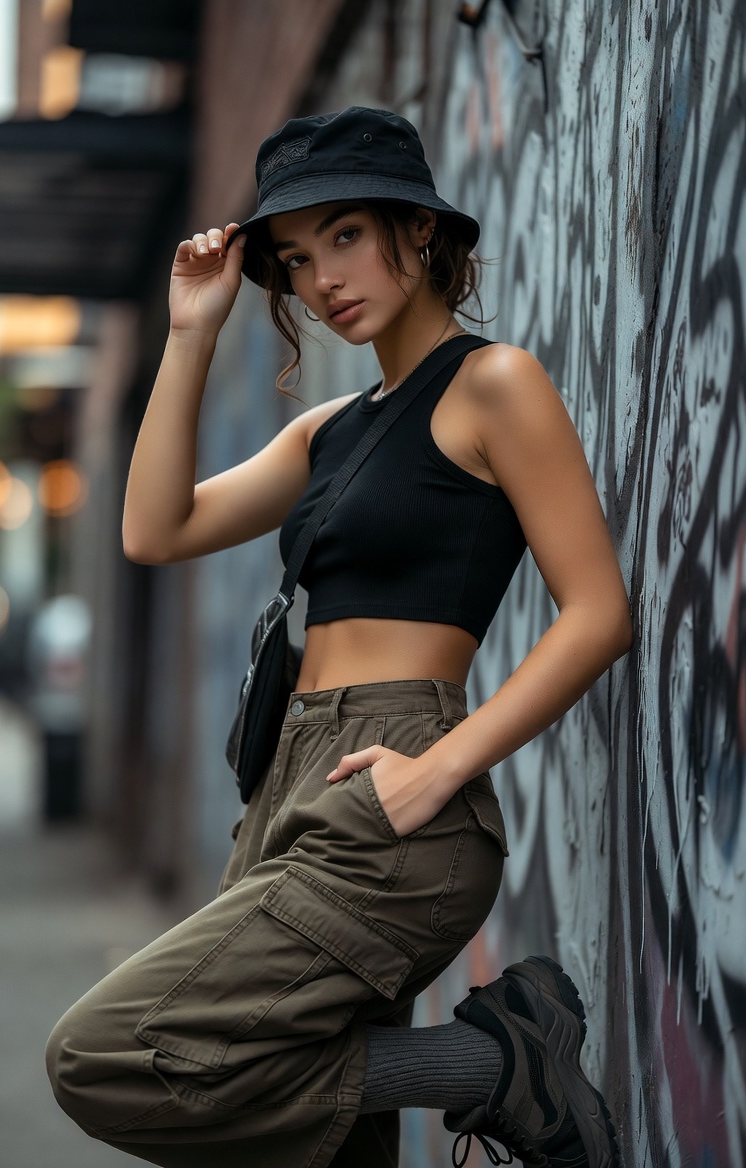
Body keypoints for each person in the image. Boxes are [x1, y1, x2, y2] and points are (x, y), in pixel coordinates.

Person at [46, 107, 631, 1168]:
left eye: (345, 234)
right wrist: (190, 334)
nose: (322, 279)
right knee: (326, 1153)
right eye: (296, 257)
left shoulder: (494, 386)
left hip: (399, 780)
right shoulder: (329, 430)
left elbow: (598, 613)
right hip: (290, 779)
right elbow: (153, 527)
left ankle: (496, 1071)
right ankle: (496, 1069)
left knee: (106, 1053)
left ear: (418, 230)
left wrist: (437, 768)